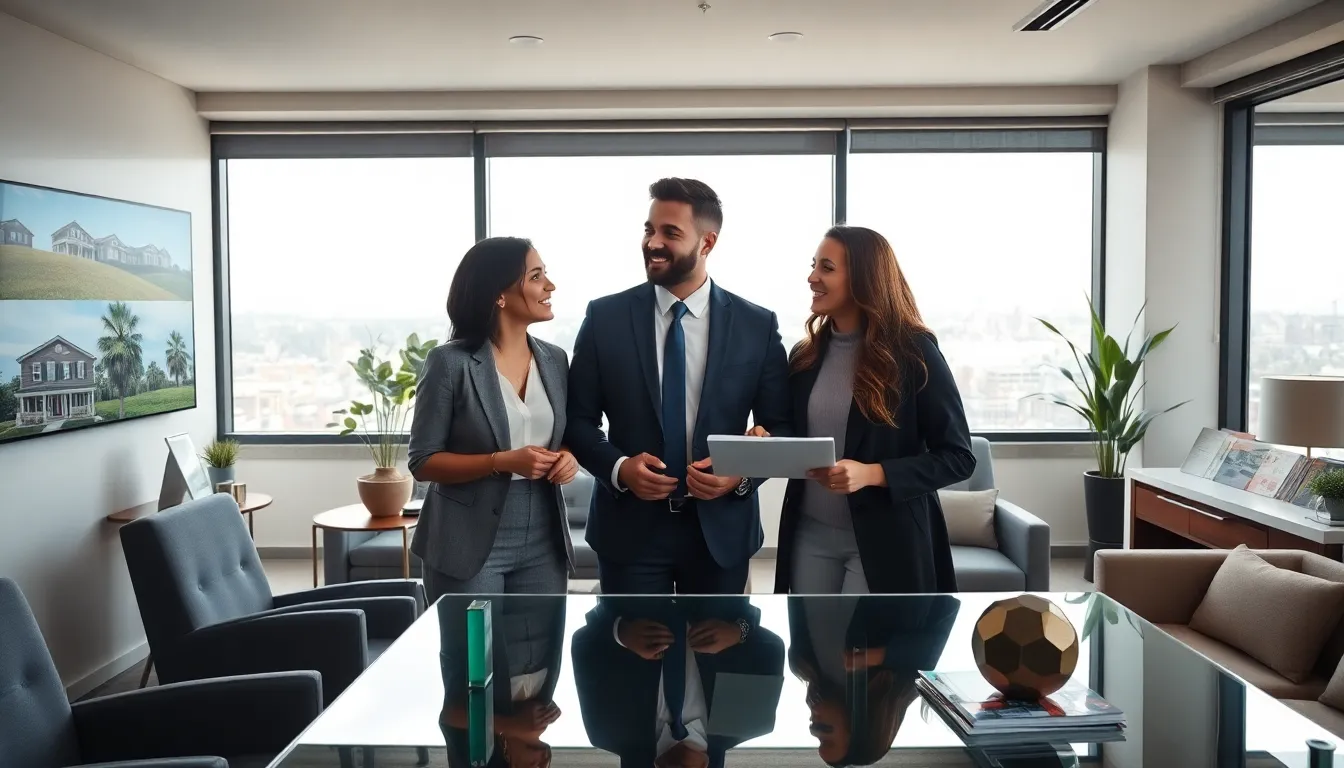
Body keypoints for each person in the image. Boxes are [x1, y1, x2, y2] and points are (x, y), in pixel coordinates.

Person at [565, 178, 792, 595]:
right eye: (649, 229)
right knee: (630, 655)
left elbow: (780, 425)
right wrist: (619, 470)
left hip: (721, 531)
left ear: (707, 243)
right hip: (629, 529)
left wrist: (740, 476)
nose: (653, 242)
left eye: (670, 233)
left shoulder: (756, 325)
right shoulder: (604, 318)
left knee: (717, 656)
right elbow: (577, 422)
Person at [764, 225, 976, 594]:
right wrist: (767, 439)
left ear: (864, 278)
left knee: (867, 650)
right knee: (813, 650)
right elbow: (793, 436)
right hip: (808, 534)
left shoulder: (915, 354)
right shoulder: (805, 356)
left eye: (826, 268)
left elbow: (958, 457)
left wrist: (874, 473)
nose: (812, 277)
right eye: (814, 265)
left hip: (885, 540)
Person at [409, 237, 578, 604]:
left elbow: (557, 433)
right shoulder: (448, 363)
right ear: (499, 294)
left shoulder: (555, 360)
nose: (550, 285)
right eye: (536, 276)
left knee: (538, 658)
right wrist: (500, 462)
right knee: (472, 659)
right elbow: (422, 462)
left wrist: (567, 456)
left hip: (543, 540)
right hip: (467, 542)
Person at [570, 595, 785, 768]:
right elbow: (771, 646)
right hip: (713, 582)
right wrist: (738, 632)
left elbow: (584, 643)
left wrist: (620, 632)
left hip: (637, 585)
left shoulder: (609, 732)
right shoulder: (748, 723)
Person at [787, 594, 959, 766]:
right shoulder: (915, 662)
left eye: (815, 734)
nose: (814, 728)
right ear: (861, 726)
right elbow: (946, 603)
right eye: (825, 735)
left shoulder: (802, 662)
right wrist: (881, 655)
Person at [439, 594, 567, 768]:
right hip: (543, 617)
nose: (545, 763)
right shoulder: (542, 710)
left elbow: (450, 716)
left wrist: (512, 725)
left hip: (483, 619)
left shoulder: (481, 757)